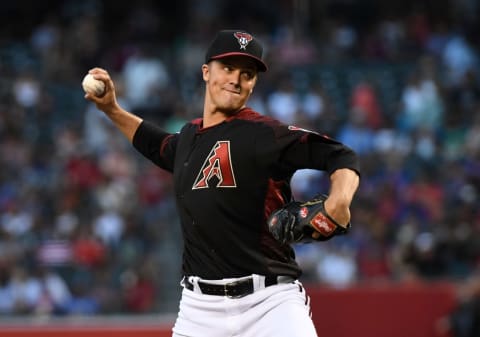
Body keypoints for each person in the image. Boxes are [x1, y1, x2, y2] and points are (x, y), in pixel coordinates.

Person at [84, 29, 360, 337]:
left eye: (247, 73)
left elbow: (341, 156)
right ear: (206, 72)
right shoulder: (188, 139)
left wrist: (339, 200)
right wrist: (112, 109)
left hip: (269, 303)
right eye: (227, 68)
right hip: (199, 311)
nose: (236, 79)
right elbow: (155, 143)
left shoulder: (264, 134)